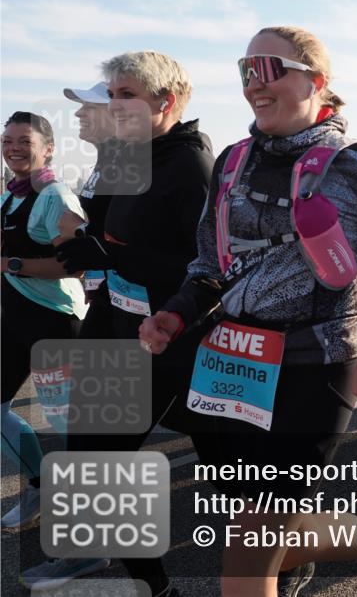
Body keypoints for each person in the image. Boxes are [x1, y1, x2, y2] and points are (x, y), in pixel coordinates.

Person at [139, 26, 357, 597]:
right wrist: (175, 314)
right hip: (235, 366)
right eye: (245, 70)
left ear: (316, 81)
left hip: (316, 367)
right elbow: (209, 265)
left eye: (269, 68)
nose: (254, 83)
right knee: (263, 528)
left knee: (249, 547)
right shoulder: (232, 162)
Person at [23, 52, 215, 595]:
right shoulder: (131, 158)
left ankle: (299, 558)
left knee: (239, 483)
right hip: (120, 329)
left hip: (177, 343)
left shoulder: (191, 166)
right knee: (93, 460)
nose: (112, 106)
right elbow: (106, 238)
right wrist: (93, 249)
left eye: (125, 95)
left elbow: (210, 268)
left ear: (165, 102)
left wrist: (112, 254)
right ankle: (153, 585)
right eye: (111, 95)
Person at [1, 112, 87, 531]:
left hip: (54, 322)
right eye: (7, 140)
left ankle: (85, 520)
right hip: (15, 320)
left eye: (25, 141)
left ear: (48, 149)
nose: (14, 148)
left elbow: (76, 265)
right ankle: (42, 486)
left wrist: (10, 264)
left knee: (67, 425)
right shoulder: (12, 193)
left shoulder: (55, 195)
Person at [63, 82, 117, 296]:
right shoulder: (107, 158)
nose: (79, 113)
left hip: (125, 295)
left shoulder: (129, 164)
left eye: (90, 107)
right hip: (106, 291)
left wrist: (79, 229)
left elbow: (132, 234)